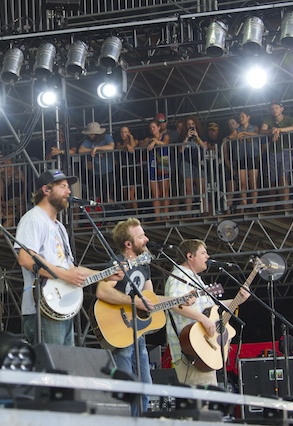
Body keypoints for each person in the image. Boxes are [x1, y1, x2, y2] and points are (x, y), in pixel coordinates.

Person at [15, 169, 122, 346]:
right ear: (46, 190)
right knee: (51, 362)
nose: (69, 191)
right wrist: (65, 275)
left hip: (61, 308)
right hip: (42, 307)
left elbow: (71, 269)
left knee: (65, 361)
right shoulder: (33, 219)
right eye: (63, 186)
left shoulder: (59, 227)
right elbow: (26, 259)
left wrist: (104, 275)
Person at [165, 239, 250, 386]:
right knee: (202, 397)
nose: (208, 256)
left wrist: (238, 300)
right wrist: (203, 319)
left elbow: (213, 308)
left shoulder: (194, 279)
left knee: (207, 396)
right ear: (190, 256)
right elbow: (175, 304)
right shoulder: (180, 277)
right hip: (190, 350)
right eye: (203, 253)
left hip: (202, 348)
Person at [95, 218, 157, 416]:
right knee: (126, 389)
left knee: (145, 388)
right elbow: (102, 291)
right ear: (128, 244)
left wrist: (179, 300)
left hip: (138, 332)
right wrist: (134, 302)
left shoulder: (143, 264)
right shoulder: (116, 264)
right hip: (120, 331)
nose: (146, 239)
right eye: (141, 236)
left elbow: (150, 298)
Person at [260, 100, 293, 206]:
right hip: (273, 151)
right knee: (272, 179)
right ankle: (272, 205)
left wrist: (279, 130)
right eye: (272, 108)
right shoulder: (268, 118)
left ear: (282, 108)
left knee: (283, 177)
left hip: (286, 150)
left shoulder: (288, 118)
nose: (274, 110)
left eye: (276, 108)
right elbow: (262, 131)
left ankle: (285, 204)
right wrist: (271, 131)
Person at [78, 122, 116, 203]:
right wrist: (93, 150)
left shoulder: (106, 137)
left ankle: (110, 209)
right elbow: (81, 150)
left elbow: (111, 147)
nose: (89, 135)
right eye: (89, 134)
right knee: (96, 195)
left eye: (91, 134)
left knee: (108, 195)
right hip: (96, 171)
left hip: (108, 170)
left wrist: (97, 148)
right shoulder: (88, 140)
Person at [142, 120, 170, 219]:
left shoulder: (165, 136)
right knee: (155, 193)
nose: (152, 129)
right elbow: (141, 145)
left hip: (163, 161)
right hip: (152, 163)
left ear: (159, 127)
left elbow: (165, 143)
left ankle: (165, 215)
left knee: (164, 191)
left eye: (154, 127)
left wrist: (155, 142)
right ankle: (157, 216)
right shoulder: (148, 139)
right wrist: (150, 141)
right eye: (150, 128)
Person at [178, 116, 207, 212]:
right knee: (188, 189)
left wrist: (197, 137)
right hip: (187, 162)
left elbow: (205, 148)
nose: (190, 126)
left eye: (192, 124)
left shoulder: (201, 134)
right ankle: (188, 212)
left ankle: (204, 210)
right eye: (188, 124)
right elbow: (181, 150)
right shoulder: (182, 136)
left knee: (201, 188)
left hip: (199, 162)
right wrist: (186, 137)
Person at [115, 126, 141, 213]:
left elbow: (133, 145)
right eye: (122, 132)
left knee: (131, 193)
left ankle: (136, 213)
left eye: (125, 132)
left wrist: (131, 137)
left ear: (129, 132)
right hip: (123, 169)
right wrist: (126, 145)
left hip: (133, 169)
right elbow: (118, 147)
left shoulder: (135, 140)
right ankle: (129, 213)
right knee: (125, 193)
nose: (123, 134)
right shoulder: (119, 142)